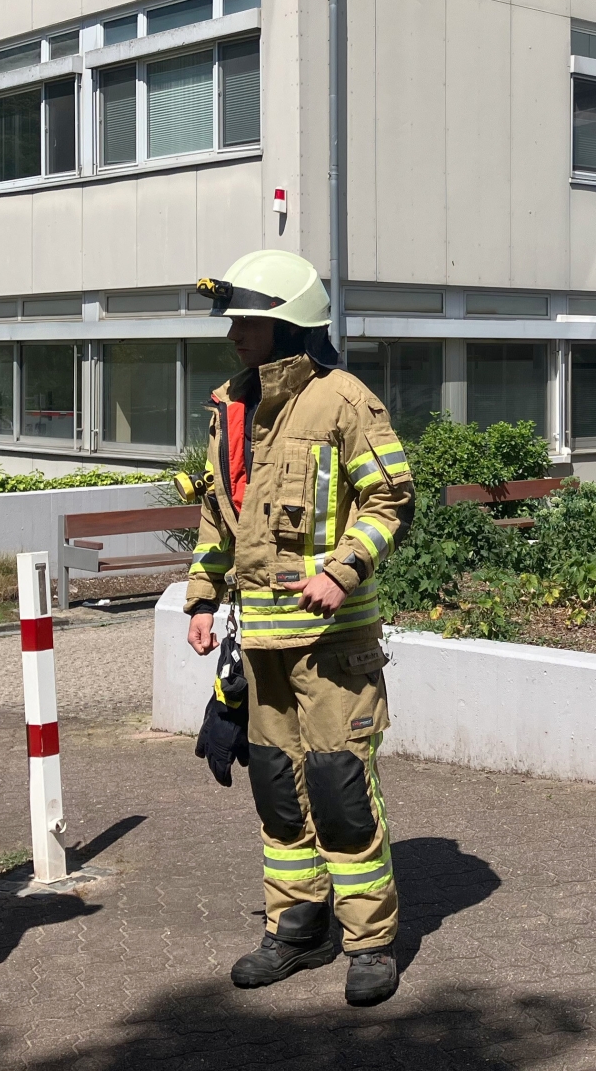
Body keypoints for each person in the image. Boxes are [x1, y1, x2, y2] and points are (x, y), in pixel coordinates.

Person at [183, 251, 415, 1008]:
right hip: (261, 646)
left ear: (287, 324)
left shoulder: (344, 400)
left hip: (332, 647)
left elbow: (391, 501)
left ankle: (371, 943)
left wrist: (339, 570)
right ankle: (295, 930)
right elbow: (221, 515)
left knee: (340, 788)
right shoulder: (230, 405)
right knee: (279, 794)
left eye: (245, 320)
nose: (233, 334)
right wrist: (199, 596)